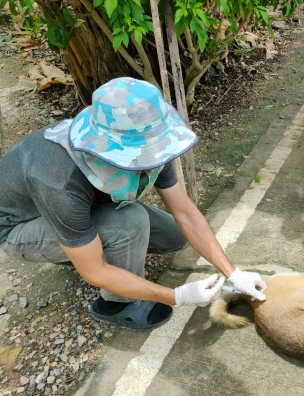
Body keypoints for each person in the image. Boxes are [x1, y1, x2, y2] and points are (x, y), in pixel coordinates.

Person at [0, 77, 267, 331]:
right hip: (19, 228)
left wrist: (234, 273)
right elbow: (94, 271)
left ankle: (93, 248)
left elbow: (185, 213)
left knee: (173, 235)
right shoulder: (58, 179)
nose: (151, 158)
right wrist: (175, 296)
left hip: (77, 209)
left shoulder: (150, 140)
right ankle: (116, 305)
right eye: (142, 153)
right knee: (130, 223)